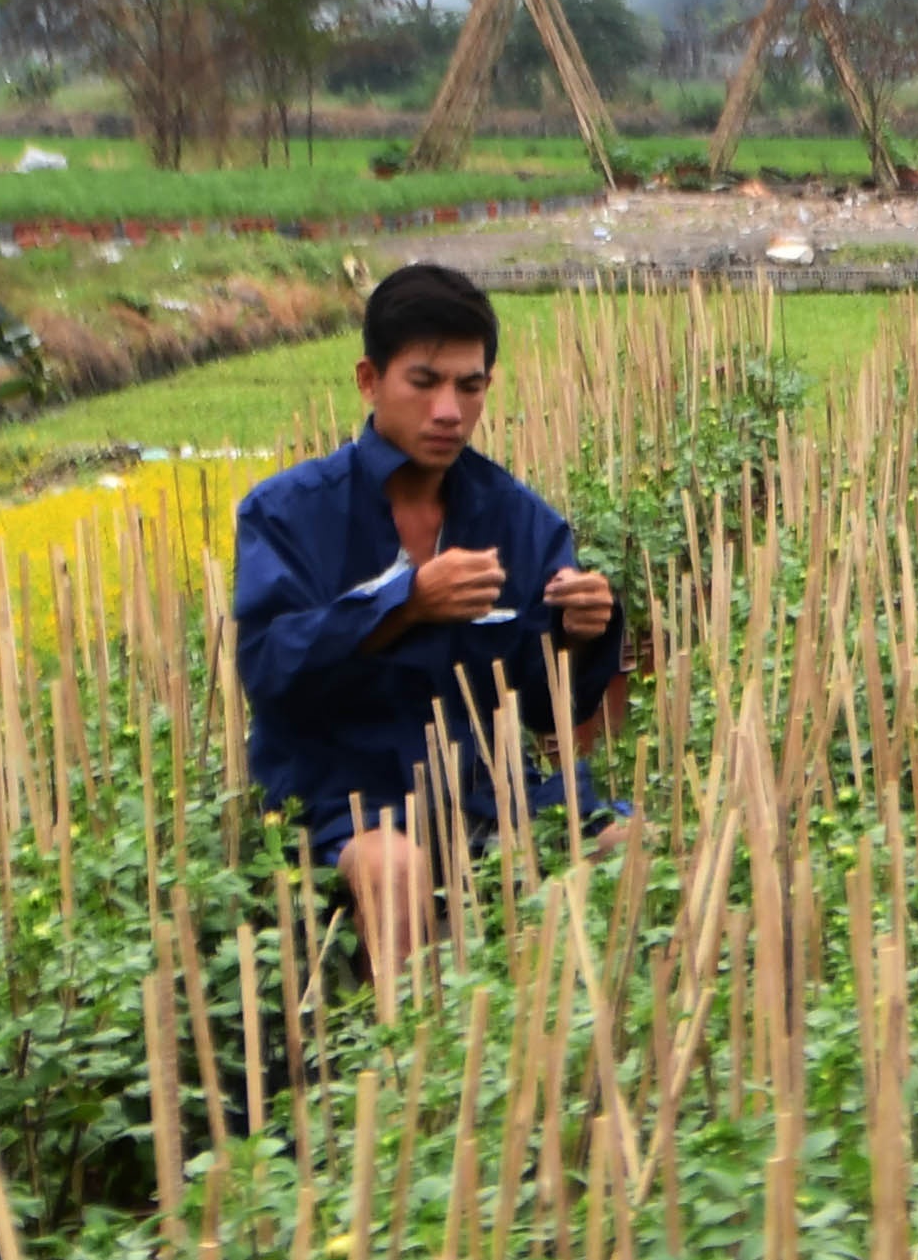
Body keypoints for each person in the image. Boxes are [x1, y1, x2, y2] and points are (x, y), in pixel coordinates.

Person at [229, 259, 628, 976]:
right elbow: (269, 665)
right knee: (395, 868)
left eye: (468, 386)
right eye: (424, 382)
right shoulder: (287, 513)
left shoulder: (518, 519)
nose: (448, 409)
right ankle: (407, 1068)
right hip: (342, 804)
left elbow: (545, 711)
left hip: (486, 799)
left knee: (629, 845)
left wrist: (579, 633)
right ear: (368, 379)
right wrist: (403, 607)